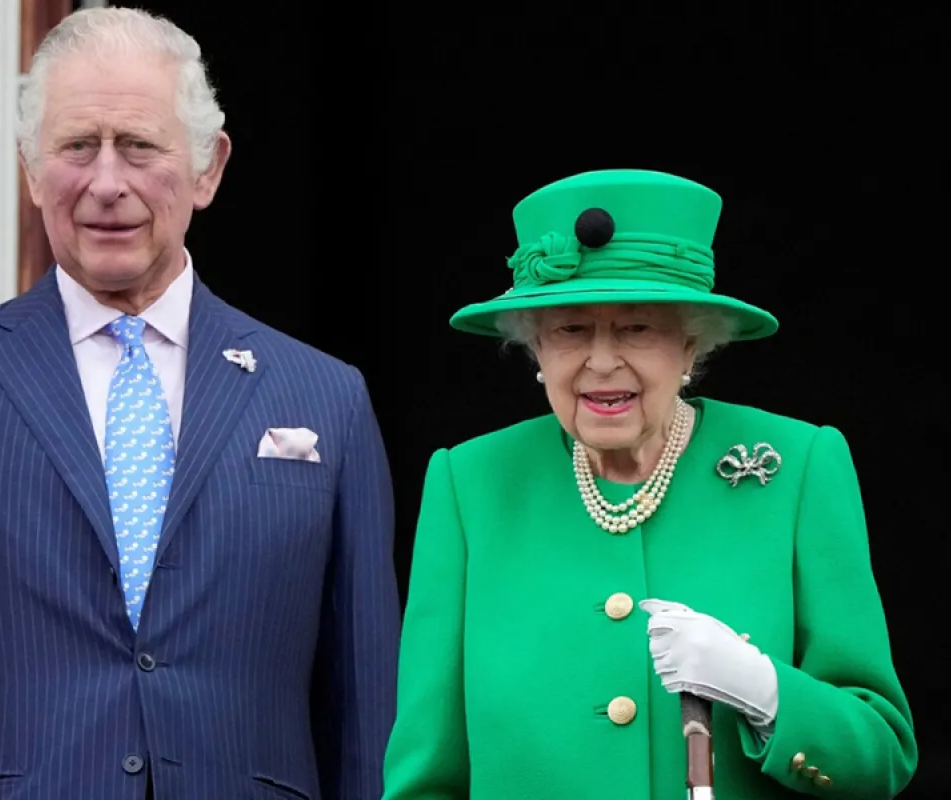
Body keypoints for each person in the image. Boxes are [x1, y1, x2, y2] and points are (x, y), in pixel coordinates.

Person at [0, 8, 399, 799]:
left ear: (209, 167)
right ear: (31, 170)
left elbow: (365, 712)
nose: (107, 183)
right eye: (76, 147)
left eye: (139, 145)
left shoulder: (325, 399)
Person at [381, 169, 917, 799]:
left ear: (692, 346)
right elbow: (427, 777)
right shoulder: (469, 484)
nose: (602, 362)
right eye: (571, 329)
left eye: (638, 328)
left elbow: (880, 757)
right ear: (536, 350)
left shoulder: (798, 466)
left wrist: (763, 689)